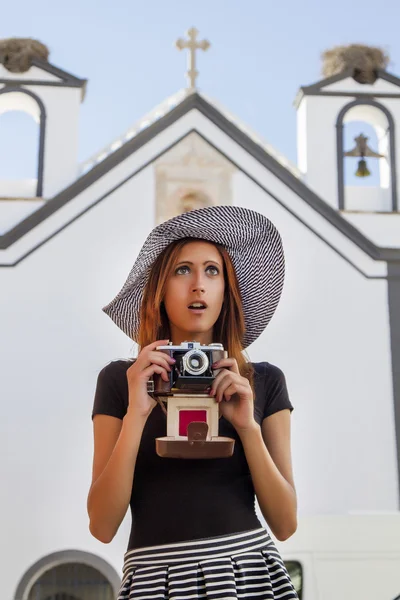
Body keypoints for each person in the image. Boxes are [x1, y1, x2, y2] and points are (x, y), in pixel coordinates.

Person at [87, 205, 299, 599]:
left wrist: (247, 426)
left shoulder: (263, 381)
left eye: (212, 271)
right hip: (154, 581)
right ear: (160, 290)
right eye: (181, 270)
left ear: (227, 291)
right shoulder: (122, 381)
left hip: (247, 575)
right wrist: (137, 412)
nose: (198, 284)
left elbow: (285, 524)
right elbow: (101, 525)